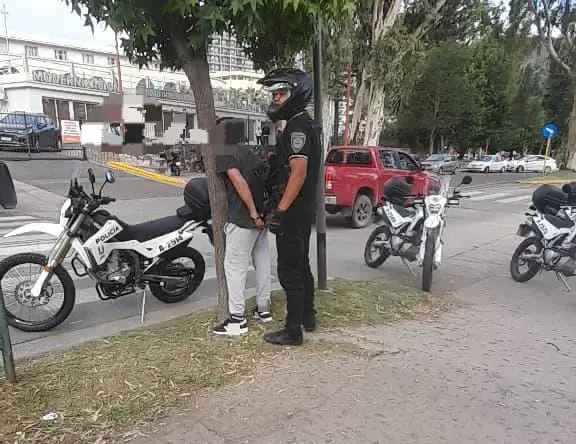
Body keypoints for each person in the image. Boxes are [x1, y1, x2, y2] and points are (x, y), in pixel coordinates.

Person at [257, 68, 320, 346]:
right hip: (302, 210)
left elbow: (298, 173)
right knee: (301, 264)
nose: (275, 99)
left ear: (295, 94)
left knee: (289, 270)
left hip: (293, 212)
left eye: (280, 93)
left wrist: (280, 211)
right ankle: (308, 315)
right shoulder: (302, 124)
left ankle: (293, 331)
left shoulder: (297, 128)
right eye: (274, 94)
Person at [212, 142, 273, 337]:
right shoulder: (249, 152)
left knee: (234, 267)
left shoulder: (224, 151)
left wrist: (253, 213)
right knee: (262, 262)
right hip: (262, 217)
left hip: (243, 218)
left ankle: (237, 320)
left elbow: (239, 182)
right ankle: (264, 309)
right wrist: (262, 214)